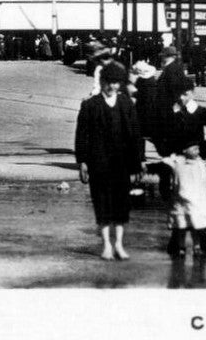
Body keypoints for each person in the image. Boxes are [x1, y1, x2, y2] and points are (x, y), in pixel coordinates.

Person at [74, 61, 145, 261]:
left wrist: (139, 160)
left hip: (122, 163)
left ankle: (119, 245)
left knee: (121, 204)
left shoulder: (126, 104)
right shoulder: (90, 105)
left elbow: (135, 134)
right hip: (99, 163)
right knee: (103, 203)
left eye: (116, 83)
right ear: (103, 82)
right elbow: (82, 135)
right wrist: (83, 162)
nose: (113, 86)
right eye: (109, 82)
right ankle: (106, 245)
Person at [160, 83, 206, 258]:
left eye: (184, 94)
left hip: (194, 161)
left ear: (192, 93)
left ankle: (201, 236)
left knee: (196, 200)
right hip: (177, 161)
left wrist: (204, 152)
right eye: (179, 94)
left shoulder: (200, 112)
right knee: (178, 199)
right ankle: (177, 236)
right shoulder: (173, 111)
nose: (181, 98)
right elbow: (164, 134)